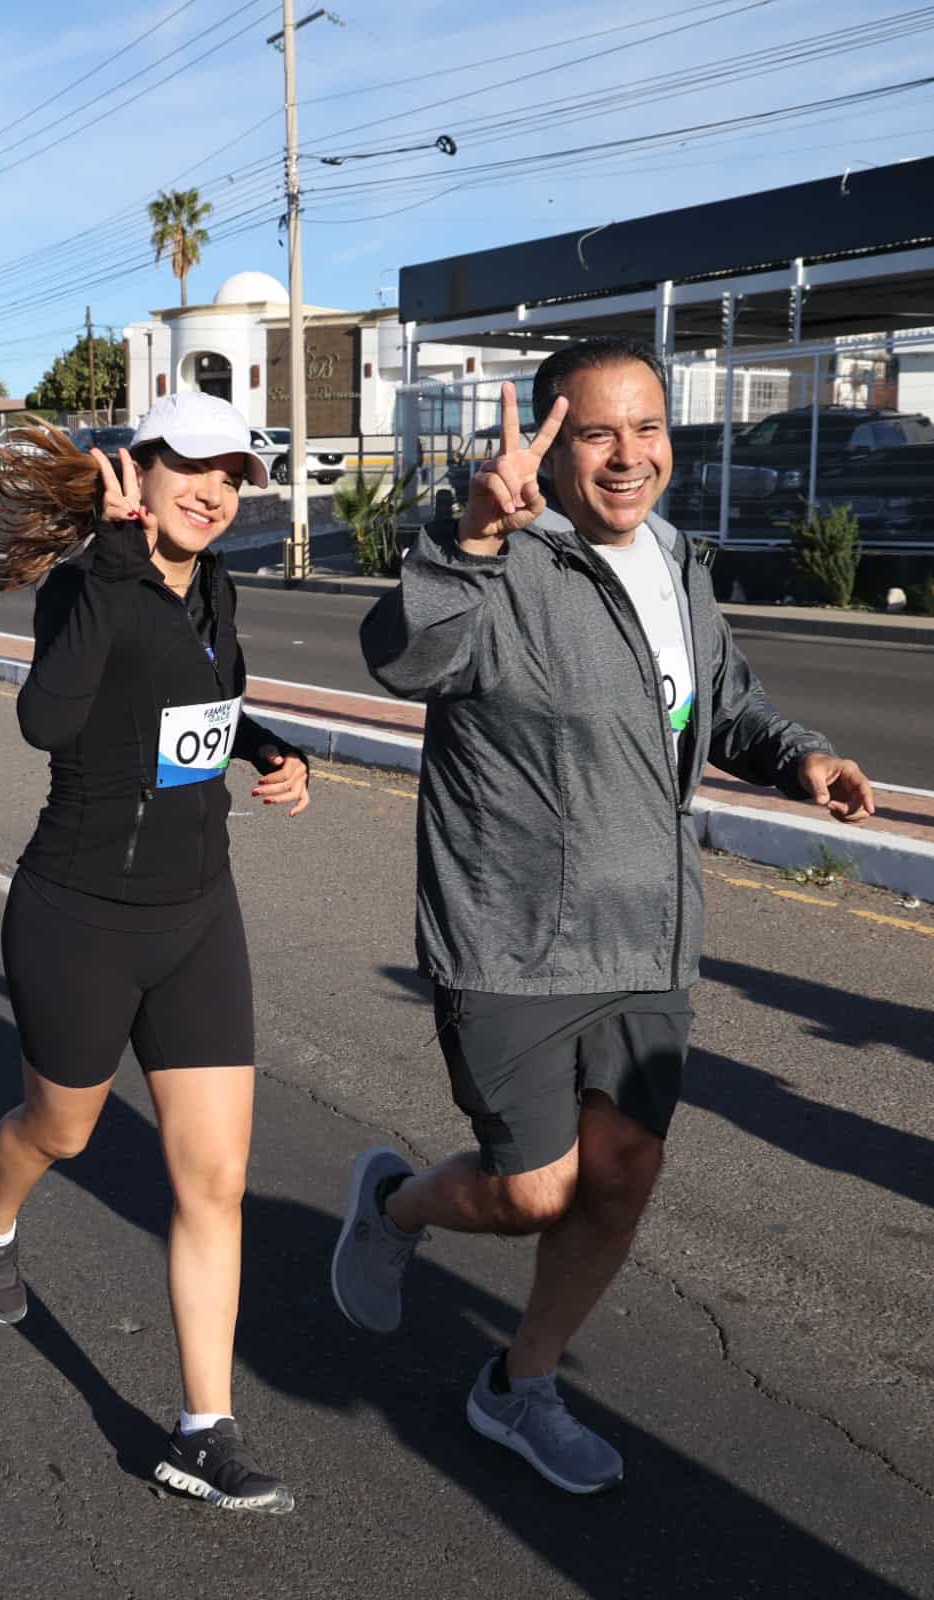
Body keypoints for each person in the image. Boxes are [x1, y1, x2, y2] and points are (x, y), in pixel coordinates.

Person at [332, 337, 874, 1495]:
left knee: (620, 1178)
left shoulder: (675, 558)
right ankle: (394, 1202)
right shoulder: (506, 556)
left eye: (649, 428)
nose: (630, 457)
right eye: (596, 433)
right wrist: (470, 537)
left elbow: (719, 699)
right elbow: (401, 653)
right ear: (548, 441)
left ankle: (519, 1385)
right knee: (533, 1192)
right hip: (515, 933)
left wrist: (801, 758)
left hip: (649, 931)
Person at [0, 392, 311, 1514]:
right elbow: (47, 722)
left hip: (199, 912)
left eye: (234, 473)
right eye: (192, 466)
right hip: (81, 912)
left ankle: (203, 1431)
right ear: (138, 472)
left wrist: (268, 745)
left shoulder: (215, 582)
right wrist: (110, 568)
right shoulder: (87, 583)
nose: (214, 490)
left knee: (216, 1179)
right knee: (61, 1127)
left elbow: (199, 694)